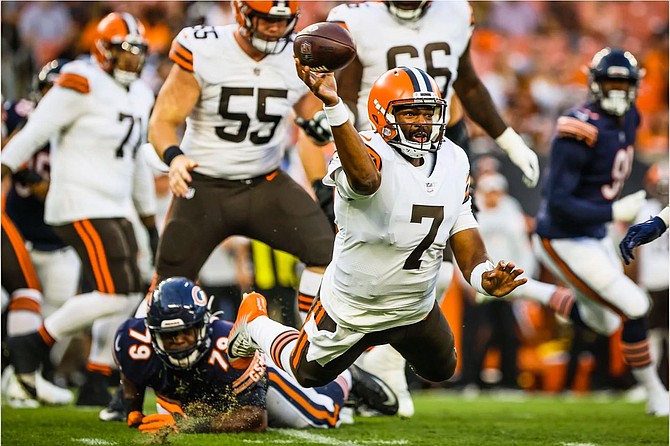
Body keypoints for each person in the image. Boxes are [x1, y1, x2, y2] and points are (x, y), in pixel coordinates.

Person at [226, 64, 526, 403]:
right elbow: (366, 180)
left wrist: (483, 274)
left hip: (414, 306)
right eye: (411, 113)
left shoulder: (453, 159)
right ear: (382, 116)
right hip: (354, 306)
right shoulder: (364, 148)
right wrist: (334, 106)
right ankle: (254, 324)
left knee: (442, 370)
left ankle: (382, 358)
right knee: (305, 373)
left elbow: (463, 227)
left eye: (429, 113)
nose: (422, 123)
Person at [0, 12, 158, 405]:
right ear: (103, 51)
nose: (132, 61)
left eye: (137, 53)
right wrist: (3, 165)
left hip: (115, 205)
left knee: (126, 293)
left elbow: (136, 158)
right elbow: (34, 131)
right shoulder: (81, 80)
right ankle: (32, 345)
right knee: (115, 292)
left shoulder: (140, 94)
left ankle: (38, 350)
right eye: (124, 52)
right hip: (79, 201)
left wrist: (148, 216)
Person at [147, 0, 334, 324]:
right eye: (266, 19)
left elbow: (312, 121)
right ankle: (149, 364)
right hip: (203, 185)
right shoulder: (205, 48)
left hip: (266, 183)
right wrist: (175, 159)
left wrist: (320, 124)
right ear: (242, 12)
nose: (276, 28)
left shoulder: (297, 55)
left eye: (283, 21)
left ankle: (313, 352)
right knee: (168, 286)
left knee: (327, 255)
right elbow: (162, 121)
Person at [532, 47, 668, 416]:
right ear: (594, 83)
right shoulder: (579, 126)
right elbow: (557, 202)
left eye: (624, 83)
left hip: (595, 231)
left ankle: (526, 289)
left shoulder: (630, 118)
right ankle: (657, 395)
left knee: (605, 321)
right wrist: (612, 210)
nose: (618, 90)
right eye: (611, 82)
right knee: (636, 306)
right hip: (561, 235)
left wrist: (607, 214)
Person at [115, 277, 397, 434]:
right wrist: (133, 410)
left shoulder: (227, 345)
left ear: (203, 324)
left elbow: (254, 419)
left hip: (257, 381)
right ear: (151, 333)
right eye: (168, 335)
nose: (178, 341)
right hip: (197, 392)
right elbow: (131, 375)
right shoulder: (132, 341)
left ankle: (344, 377)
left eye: (186, 332)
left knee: (319, 416)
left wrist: (188, 425)